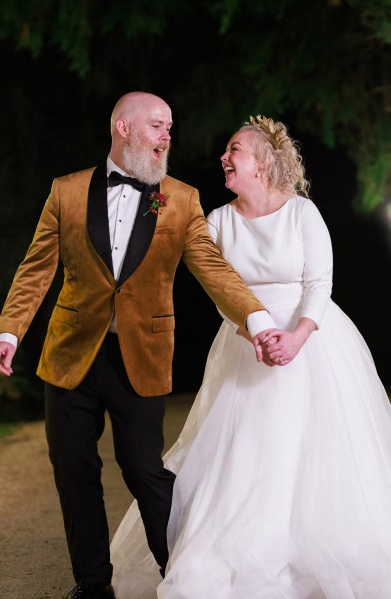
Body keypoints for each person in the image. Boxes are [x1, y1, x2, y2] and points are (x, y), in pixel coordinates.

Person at [0, 93, 278, 599]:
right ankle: (93, 584)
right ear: (123, 128)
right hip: (69, 355)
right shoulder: (66, 191)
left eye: (170, 126)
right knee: (74, 469)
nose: (167, 135)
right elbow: (37, 269)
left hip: (141, 356)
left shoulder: (181, 199)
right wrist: (10, 330)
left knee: (145, 469)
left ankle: (180, 577)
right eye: (157, 126)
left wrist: (256, 319)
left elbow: (212, 270)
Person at [109, 115, 391, 598]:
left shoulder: (302, 213)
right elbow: (217, 287)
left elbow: (319, 284)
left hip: (313, 341)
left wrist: (297, 337)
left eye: (234, 149)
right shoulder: (217, 221)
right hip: (245, 345)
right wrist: (252, 334)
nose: (224, 156)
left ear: (262, 162)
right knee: (247, 449)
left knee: (315, 448)